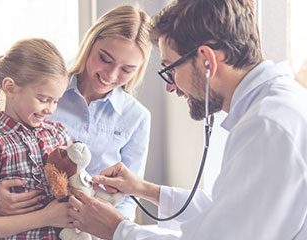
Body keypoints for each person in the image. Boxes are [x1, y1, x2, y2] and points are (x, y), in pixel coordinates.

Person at [63, 0, 307, 239]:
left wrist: (117, 229)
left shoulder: (267, 126)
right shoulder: (276, 108)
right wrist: (145, 189)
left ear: (207, 61)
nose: (171, 88)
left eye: (171, 70)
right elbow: (224, 210)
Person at [0, 4, 152, 222]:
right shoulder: (44, 93)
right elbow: (1, 151)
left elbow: (128, 197)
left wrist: (111, 232)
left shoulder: (137, 117)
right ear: (90, 44)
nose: (111, 75)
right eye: (105, 59)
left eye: (127, 70)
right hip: (33, 225)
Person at [0, 38, 73, 239]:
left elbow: (73, 189)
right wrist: (45, 217)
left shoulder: (59, 134)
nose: (51, 109)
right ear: (10, 87)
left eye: (56, 101)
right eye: (43, 99)